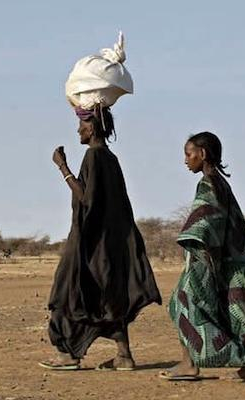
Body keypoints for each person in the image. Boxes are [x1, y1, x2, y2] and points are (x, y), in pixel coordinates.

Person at [39, 105, 162, 371]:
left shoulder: (93, 157)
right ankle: (124, 356)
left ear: (92, 127)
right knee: (105, 296)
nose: (78, 130)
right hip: (109, 243)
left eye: (82, 125)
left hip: (89, 242)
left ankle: (67, 354)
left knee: (67, 291)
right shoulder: (111, 158)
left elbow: (86, 198)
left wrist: (63, 167)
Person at [160, 131, 245, 382]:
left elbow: (206, 226)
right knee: (227, 310)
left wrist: (207, 262)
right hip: (223, 261)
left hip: (206, 261)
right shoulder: (220, 182)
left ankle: (190, 364)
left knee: (182, 305)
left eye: (188, 154)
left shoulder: (208, 184)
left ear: (202, 154)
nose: (185, 160)